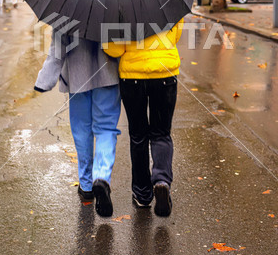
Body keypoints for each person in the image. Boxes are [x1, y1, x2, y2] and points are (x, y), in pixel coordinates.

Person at [34, 31, 121, 217]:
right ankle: (102, 177)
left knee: (82, 130)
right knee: (106, 129)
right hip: (109, 74)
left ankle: (87, 186)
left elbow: (57, 49)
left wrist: (44, 80)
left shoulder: (67, 8)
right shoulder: (117, 3)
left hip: (77, 75)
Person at [103, 19, 183, 217]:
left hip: (132, 78)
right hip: (165, 73)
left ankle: (143, 195)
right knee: (161, 133)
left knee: (138, 136)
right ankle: (162, 181)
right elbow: (175, 36)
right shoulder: (168, 1)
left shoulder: (119, 9)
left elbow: (113, 50)